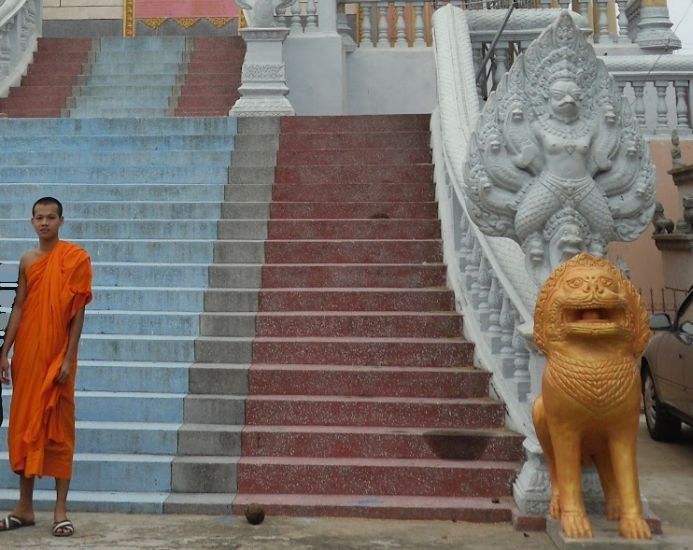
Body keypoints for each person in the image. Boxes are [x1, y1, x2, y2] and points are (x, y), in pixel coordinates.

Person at [0, 197, 92, 537]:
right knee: (24, 426)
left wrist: (69, 357)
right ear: (31, 221)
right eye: (39, 217)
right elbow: (20, 307)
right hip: (28, 355)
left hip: (57, 358)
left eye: (50, 217)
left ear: (61, 221)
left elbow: (78, 311)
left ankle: (60, 511)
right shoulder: (27, 260)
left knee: (58, 430)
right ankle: (24, 508)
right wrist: (4, 351)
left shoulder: (75, 259)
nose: (44, 223)